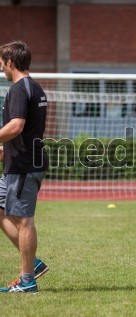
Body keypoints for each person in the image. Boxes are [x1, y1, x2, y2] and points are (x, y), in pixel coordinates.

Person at [0, 41, 49, 293]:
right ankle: (33, 262)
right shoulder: (36, 88)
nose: (1, 68)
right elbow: (28, 131)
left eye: (1, 63)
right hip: (18, 161)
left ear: (10, 62)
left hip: (24, 166)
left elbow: (17, 126)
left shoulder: (18, 89)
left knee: (23, 220)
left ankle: (28, 279)